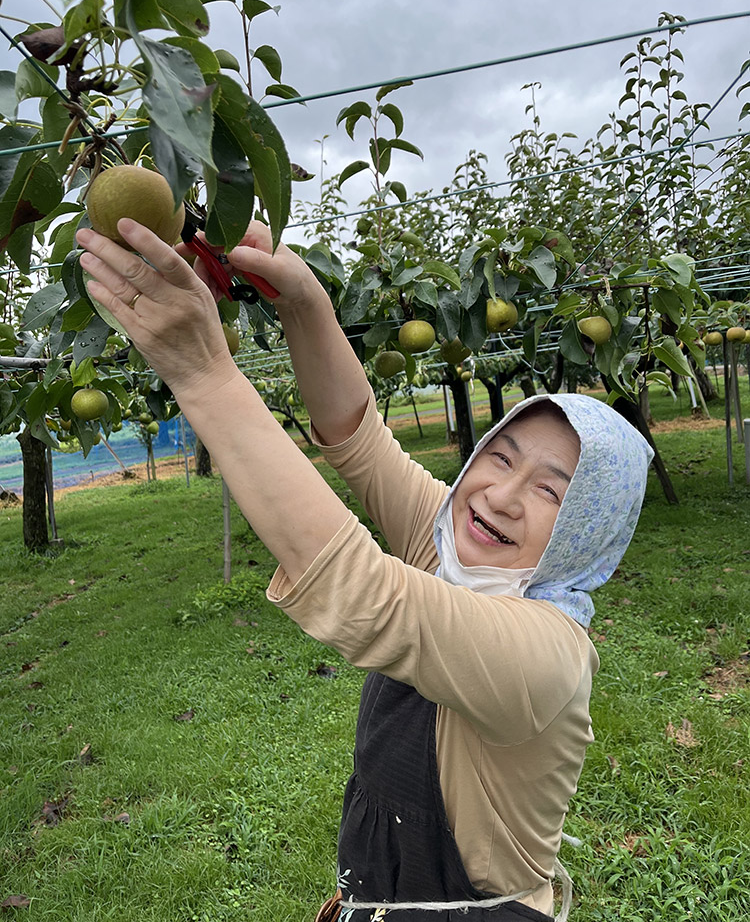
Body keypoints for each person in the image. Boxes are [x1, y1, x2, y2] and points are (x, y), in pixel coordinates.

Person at [77, 218, 654, 922]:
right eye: (500, 458)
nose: (501, 495)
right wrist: (304, 304)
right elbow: (359, 437)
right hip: (385, 891)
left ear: (586, 533)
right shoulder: (452, 548)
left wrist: (204, 375)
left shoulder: (546, 658)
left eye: (550, 492)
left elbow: (366, 591)